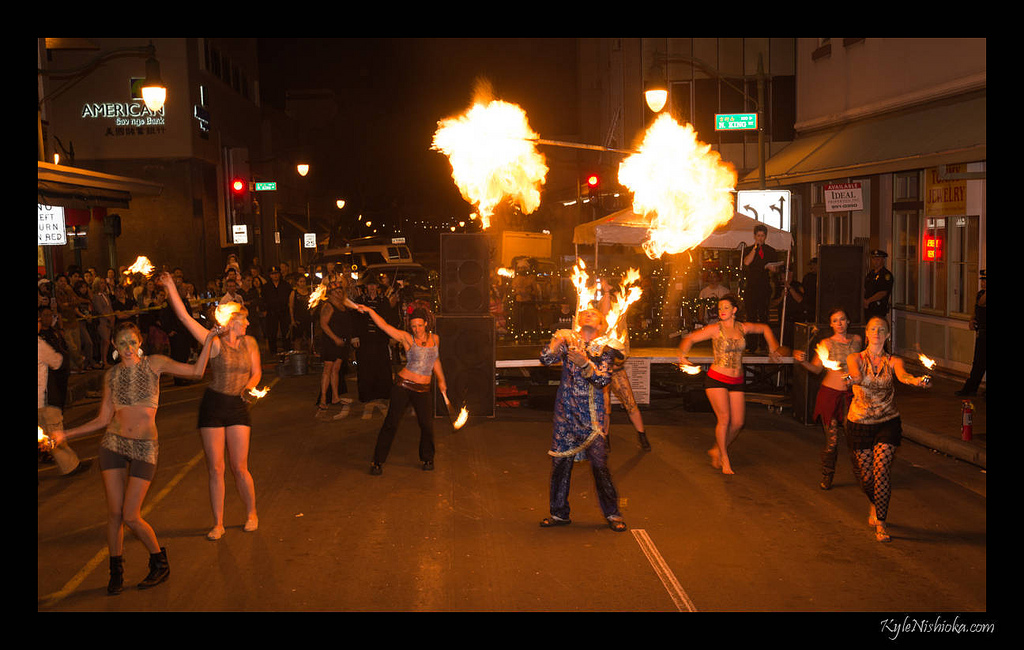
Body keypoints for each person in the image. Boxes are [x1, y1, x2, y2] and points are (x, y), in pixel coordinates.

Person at [46, 321, 217, 593]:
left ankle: (159, 562)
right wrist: (66, 434)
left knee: (131, 515)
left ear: (141, 343)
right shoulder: (111, 376)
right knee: (114, 514)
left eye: (133, 342)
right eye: (122, 343)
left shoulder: (155, 364)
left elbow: (197, 372)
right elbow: (103, 419)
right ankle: (116, 572)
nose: (128, 348)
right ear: (113, 344)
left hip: (145, 447)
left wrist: (208, 341)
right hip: (113, 444)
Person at [159, 272, 262, 541]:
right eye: (244, 319)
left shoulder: (249, 343)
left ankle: (251, 513)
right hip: (214, 406)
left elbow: (257, 372)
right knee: (216, 468)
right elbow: (184, 318)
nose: (248, 322)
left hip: (238, 405)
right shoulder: (214, 342)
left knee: (240, 467)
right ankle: (218, 523)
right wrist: (170, 286)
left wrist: (249, 388)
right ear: (233, 321)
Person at [538, 308, 626, 532]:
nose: (588, 315)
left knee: (599, 464)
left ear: (601, 324)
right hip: (565, 413)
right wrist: (557, 341)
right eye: (585, 313)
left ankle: (613, 513)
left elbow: (602, 380)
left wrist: (585, 363)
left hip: (591, 416)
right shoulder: (568, 341)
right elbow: (545, 359)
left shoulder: (606, 348)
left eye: (594, 314)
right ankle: (558, 514)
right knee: (560, 463)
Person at [844, 316, 931, 543]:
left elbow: (903, 376)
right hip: (859, 423)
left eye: (882, 329)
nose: (877, 332)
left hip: (887, 422)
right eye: (873, 329)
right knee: (866, 477)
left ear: (887, 335)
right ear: (867, 333)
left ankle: (881, 523)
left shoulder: (893, 361)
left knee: (881, 470)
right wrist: (850, 378)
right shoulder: (855, 358)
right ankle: (874, 502)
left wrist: (916, 381)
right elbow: (855, 375)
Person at [678, 294, 782, 475]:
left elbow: (765, 328)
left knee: (738, 423)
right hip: (717, 378)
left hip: (737, 380)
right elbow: (690, 338)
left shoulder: (743, 328)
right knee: (724, 419)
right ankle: (724, 458)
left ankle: (717, 449)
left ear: (734, 310)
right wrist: (682, 355)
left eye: (726, 308)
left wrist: (773, 348)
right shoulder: (715, 329)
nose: (722, 311)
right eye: (719, 308)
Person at [356, 301, 447, 475]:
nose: (416, 329)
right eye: (413, 326)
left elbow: (435, 360)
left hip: (423, 389)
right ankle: (377, 461)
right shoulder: (407, 338)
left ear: (426, 324)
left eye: (420, 325)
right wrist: (369, 311)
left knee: (427, 425)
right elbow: (384, 326)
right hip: (403, 386)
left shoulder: (435, 339)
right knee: (391, 423)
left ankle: (428, 458)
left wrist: (441, 380)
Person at [793, 308, 862, 490]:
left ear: (848, 321)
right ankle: (827, 474)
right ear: (831, 324)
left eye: (842, 319)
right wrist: (801, 361)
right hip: (829, 393)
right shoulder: (825, 344)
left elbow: (862, 365)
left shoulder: (857, 341)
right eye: (835, 320)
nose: (839, 323)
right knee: (831, 440)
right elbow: (816, 369)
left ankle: (861, 475)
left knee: (853, 436)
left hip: (850, 394)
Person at [594, 277, 651, 452]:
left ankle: (642, 437)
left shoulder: (622, 308)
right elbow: (603, 313)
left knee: (630, 403)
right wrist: (605, 291)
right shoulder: (600, 312)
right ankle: (606, 439)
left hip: (617, 369)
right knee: (605, 407)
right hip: (602, 369)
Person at [38, 308, 84, 476]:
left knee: (45, 434)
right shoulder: (39, 343)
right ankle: (70, 466)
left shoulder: (48, 336)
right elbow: (57, 361)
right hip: (44, 397)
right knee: (54, 432)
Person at [352, 277, 396, 402]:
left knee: (382, 366)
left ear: (377, 287)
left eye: (374, 285)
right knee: (365, 367)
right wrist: (354, 337)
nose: (372, 287)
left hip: (380, 339)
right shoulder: (360, 300)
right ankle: (367, 395)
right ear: (366, 287)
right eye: (369, 285)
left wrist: (392, 336)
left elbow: (389, 318)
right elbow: (354, 320)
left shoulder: (383, 301)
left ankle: (383, 393)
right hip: (364, 339)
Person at [742, 224, 785, 352]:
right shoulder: (749, 249)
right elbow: (747, 262)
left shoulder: (770, 251)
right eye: (758, 236)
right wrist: (755, 249)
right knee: (751, 316)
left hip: (764, 287)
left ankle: (764, 344)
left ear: (765, 236)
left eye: (763, 236)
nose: (760, 238)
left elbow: (777, 268)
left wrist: (773, 268)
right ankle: (752, 345)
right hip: (751, 287)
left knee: (764, 316)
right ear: (755, 236)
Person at [316, 280, 354, 410]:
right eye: (336, 292)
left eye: (340, 291)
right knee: (328, 369)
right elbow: (323, 324)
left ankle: (335, 397)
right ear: (330, 294)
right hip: (330, 343)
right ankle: (323, 399)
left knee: (336, 369)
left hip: (342, 342)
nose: (339, 293)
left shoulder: (343, 305)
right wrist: (335, 338)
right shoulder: (328, 306)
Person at [956, 269, 986, 397]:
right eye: (982, 280)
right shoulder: (981, 294)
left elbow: (982, 303)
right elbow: (977, 307)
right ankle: (971, 388)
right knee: (978, 363)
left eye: (985, 281)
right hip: (982, 332)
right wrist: (972, 320)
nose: (983, 283)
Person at [262, 266, 292, 356]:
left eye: (276, 274)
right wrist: (264, 310)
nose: (275, 276)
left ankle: (287, 350)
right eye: (273, 274)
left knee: (286, 331)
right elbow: (263, 299)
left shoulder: (286, 285)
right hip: (271, 311)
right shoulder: (266, 287)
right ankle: (273, 352)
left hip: (284, 311)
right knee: (272, 332)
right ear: (270, 275)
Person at [863, 249, 893, 322]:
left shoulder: (885, 275)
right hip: (868, 308)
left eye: (878, 259)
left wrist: (868, 301)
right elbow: (865, 288)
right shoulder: (871, 274)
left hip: (878, 309)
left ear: (883, 260)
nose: (875, 261)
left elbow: (883, 292)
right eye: (873, 259)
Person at [288, 273, 313, 352]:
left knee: (310, 337)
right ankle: (297, 354)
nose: (302, 283)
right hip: (298, 317)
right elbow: (291, 307)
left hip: (308, 317)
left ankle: (311, 352)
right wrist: (292, 320)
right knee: (298, 338)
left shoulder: (310, 292)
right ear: (297, 283)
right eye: (301, 281)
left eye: (304, 281)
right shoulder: (294, 293)